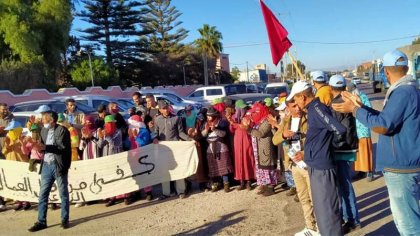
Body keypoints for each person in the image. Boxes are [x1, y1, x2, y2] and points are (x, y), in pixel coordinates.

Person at [332, 50, 420, 235]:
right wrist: (361, 106)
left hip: (402, 167)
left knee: (408, 224)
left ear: (386, 72)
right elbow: (388, 119)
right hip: (405, 164)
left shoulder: (402, 92)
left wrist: (355, 111)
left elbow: (384, 126)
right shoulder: (410, 89)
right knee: (408, 218)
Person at [288, 80, 346, 236]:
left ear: (302, 97)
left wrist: (326, 149)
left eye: (295, 98)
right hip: (316, 165)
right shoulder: (313, 109)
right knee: (321, 211)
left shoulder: (317, 108)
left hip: (322, 167)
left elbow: (339, 129)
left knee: (327, 212)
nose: (295, 102)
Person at [272, 99, 318, 236]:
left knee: (315, 198)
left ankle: (321, 227)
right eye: (293, 106)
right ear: (288, 107)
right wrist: (283, 134)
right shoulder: (286, 121)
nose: (297, 108)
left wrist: (305, 153)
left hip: (309, 164)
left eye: (298, 105)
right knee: (304, 198)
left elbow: (318, 140)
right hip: (294, 165)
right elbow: (275, 140)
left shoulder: (309, 118)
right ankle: (310, 226)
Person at [28, 111, 71, 232]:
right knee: (43, 195)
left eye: (44, 119)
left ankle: (64, 220)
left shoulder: (62, 130)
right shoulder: (43, 130)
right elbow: (42, 148)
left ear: (51, 120)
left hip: (58, 165)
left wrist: (45, 147)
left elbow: (62, 147)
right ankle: (41, 221)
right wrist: (37, 147)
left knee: (63, 193)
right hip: (46, 165)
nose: (42, 121)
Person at [329, 75, 361, 233]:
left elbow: (334, 128)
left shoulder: (336, 104)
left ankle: (352, 219)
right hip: (349, 146)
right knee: (344, 184)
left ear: (330, 87)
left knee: (343, 185)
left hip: (340, 148)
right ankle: (346, 216)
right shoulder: (350, 99)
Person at [153, 100, 192, 199]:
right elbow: (155, 133)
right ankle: (166, 193)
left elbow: (181, 133)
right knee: (164, 171)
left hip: (175, 148)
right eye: (164, 108)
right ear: (160, 110)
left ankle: (181, 191)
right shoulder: (157, 120)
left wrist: (190, 139)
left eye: (167, 108)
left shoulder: (176, 118)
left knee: (178, 169)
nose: (166, 110)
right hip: (163, 148)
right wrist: (155, 139)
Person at [245, 102, 278, 196]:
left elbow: (261, 133)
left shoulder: (266, 121)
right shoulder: (259, 121)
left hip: (265, 149)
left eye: (255, 113)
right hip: (259, 150)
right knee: (262, 168)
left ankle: (271, 187)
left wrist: (249, 129)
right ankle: (265, 184)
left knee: (268, 167)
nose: (253, 115)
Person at [2, 120, 32, 211]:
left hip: (22, 163)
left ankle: (27, 201)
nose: (10, 132)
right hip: (11, 163)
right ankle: (18, 201)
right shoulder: (8, 138)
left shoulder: (24, 137)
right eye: (10, 130)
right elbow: (4, 152)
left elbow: (26, 152)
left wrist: (21, 142)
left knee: (24, 182)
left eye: (12, 130)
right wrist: (7, 145)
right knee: (15, 183)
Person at [347, 83, 374, 181]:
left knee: (366, 152)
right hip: (355, 130)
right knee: (358, 153)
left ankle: (369, 172)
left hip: (363, 129)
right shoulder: (351, 99)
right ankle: (361, 172)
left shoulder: (362, 97)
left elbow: (369, 109)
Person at [227, 100, 255, 191]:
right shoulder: (234, 117)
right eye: (241, 108)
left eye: (244, 108)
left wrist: (234, 123)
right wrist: (231, 123)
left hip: (247, 140)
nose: (243, 110)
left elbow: (247, 127)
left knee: (248, 158)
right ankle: (241, 181)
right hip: (238, 140)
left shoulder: (248, 116)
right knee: (239, 160)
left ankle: (249, 181)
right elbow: (231, 130)